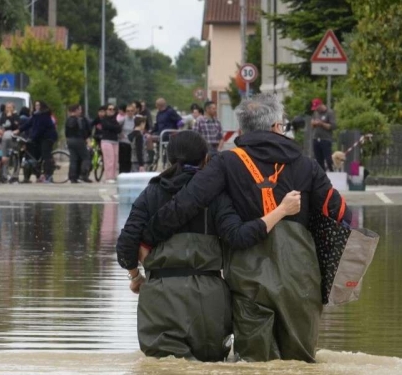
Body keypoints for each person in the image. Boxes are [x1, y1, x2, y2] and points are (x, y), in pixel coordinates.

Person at [141, 94, 350, 363]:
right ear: (276, 126)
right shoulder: (306, 165)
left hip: (249, 279)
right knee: (300, 363)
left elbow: (185, 204)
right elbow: (341, 213)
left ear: (242, 129)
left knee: (254, 364)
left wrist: (147, 237)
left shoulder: (226, 163)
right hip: (301, 279)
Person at [117, 130, 302, 362]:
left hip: (160, 296)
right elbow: (239, 237)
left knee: (164, 366)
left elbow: (126, 246)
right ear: (206, 159)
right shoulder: (216, 197)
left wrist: (136, 276)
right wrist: (282, 210)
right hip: (209, 301)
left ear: (169, 157)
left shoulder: (150, 194)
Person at [18, 101, 57, 183]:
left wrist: (32, 137)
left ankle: (48, 176)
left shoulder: (44, 115)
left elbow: (40, 129)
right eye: (35, 105)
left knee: (46, 156)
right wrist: (19, 130)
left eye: (38, 105)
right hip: (39, 138)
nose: (36, 106)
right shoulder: (35, 115)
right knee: (33, 156)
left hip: (47, 138)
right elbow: (29, 124)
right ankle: (32, 176)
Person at [66, 104, 92, 183]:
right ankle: (83, 174)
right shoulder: (78, 120)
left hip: (70, 140)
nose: (80, 111)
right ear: (76, 110)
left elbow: (66, 132)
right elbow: (82, 131)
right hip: (78, 140)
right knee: (86, 157)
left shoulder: (68, 120)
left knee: (73, 159)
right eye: (79, 110)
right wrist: (86, 139)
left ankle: (72, 177)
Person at [311, 98, 337, 172]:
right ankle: (321, 175)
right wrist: (314, 123)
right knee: (318, 160)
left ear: (321, 105)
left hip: (325, 139)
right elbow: (312, 123)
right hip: (316, 138)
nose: (316, 110)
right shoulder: (315, 113)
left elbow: (333, 126)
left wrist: (321, 124)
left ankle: (332, 172)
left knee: (328, 159)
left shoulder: (329, 113)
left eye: (317, 108)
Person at [0, 102, 22, 184]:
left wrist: (11, 118)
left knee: (15, 157)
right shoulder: (3, 116)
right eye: (7, 107)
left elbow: (16, 126)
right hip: (4, 139)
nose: (8, 109)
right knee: (4, 157)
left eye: (10, 107)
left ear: (13, 108)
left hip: (13, 139)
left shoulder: (16, 116)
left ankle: (14, 177)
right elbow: (1, 125)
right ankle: (3, 176)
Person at [100, 104, 121, 183]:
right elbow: (107, 126)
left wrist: (113, 127)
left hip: (115, 141)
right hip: (106, 141)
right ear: (106, 110)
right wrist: (114, 127)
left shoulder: (115, 120)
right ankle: (108, 177)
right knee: (109, 159)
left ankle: (113, 176)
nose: (111, 111)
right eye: (109, 109)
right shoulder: (104, 119)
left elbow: (119, 129)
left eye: (113, 109)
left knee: (115, 159)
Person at [118, 104, 136, 173]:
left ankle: (128, 174)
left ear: (134, 111)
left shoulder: (136, 120)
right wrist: (119, 134)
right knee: (123, 160)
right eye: (128, 111)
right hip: (123, 142)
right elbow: (117, 128)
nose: (130, 112)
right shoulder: (122, 120)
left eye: (131, 111)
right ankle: (122, 173)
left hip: (132, 143)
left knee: (130, 161)